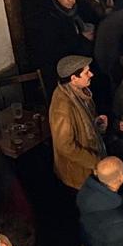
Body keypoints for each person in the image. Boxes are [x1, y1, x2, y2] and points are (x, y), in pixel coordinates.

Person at [49, 56, 108, 191]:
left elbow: (84, 122)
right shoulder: (63, 107)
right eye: (86, 72)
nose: (91, 74)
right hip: (79, 174)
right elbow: (65, 146)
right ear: (73, 78)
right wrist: (96, 163)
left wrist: (96, 123)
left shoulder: (79, 93)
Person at [38, 0, 97, 91]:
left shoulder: (80, 11)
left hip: (85, 64)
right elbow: (53, 48)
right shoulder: (49, 19)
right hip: (67, 71)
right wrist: (82, 38)